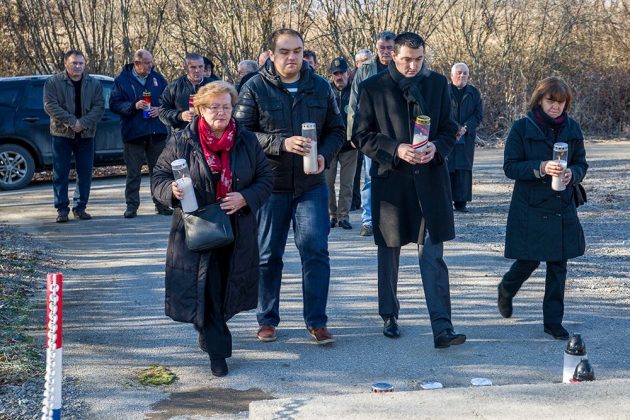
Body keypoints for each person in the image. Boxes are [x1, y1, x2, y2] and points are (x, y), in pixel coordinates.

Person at [151, 81, 273, 376]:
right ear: (200, 109)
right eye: (214, 107)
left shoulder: (245, 139)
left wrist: (245, 197)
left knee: (222, 288)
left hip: (235, 226)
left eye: (226, 107)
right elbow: (158, 178)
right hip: (196, 226)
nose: (221, 112)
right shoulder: (182, 140)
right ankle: (219, 353)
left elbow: (266, 179)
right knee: (207, 288)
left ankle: (207, 329)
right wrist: (172, 191)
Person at [353, 32, 466, 349]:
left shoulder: (438, 83)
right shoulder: (373, 87)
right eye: (406, 60)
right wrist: (396, 149)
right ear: (393, 56)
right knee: (389, 251)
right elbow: (360, 135)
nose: (413, 66)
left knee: (432, 254)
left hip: (430, 179)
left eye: (418, 59)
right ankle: (389, 315)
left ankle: (442, 326)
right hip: (392, 181)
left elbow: (449, 128)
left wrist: (437, 147)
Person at [235, 28, 345, 345]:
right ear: (272, 54)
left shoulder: (320, 86)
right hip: (270, 186)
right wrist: (281, 144)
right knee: (268, 255)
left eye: (297, 51)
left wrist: (324, 154)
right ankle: (267, 319)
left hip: (311, 185)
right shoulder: (255, 87)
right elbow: (240, 133)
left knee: (315, 252)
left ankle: (317, 322)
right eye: (284, 51)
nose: (292, 57)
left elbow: (337, 130)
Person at [498, 76, 588, 340]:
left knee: (558, 264)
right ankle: (506, 288)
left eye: (561, 102)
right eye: (551, 101)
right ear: (539, 100)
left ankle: (553, 322)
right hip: (531, 205)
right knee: (529, 259)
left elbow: (582, 163)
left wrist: (573, 173)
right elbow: (510, 167)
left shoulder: (572, 128)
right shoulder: (522, 127)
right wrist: (541, 167)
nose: (556, 106)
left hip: (562, 203)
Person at [109, 49, 172, 218]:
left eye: (151, 62)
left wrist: (160, 110)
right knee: (133, 173)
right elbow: (114, 104)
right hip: (134, 133)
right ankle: (132, 206)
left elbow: (169, 101)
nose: (151, 65)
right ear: (136, 63)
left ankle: (161, 204)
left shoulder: (158, 78)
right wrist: (133, 106)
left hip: (156, 132)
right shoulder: (122, 80)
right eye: (147, 63)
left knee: (159, 171)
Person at [43, 49, 104, 223]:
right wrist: (72, 122)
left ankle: (80, 207)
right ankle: (62, 209)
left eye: (81, 63)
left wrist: (82, 123)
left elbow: (99, 107)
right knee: (60, 173)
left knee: (85, 174)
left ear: (85, 65)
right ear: (65, 64)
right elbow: (50, 105)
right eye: (74, 63)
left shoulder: (94, 83)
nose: (78, 66)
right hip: (62, 134)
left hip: (86, 135)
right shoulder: (53, 82)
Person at [348, 30, 396, 237]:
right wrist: (353, 133)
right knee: (369, 177)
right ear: (376, 48)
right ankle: (368, 220)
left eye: (389, 48)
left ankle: (392, 218)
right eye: (381, 48)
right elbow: (353, 102)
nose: (385, 52)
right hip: (371, 132)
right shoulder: (366, 68)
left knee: (395, 176)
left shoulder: (402, 66)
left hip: (395, 131)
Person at [325, 57, 357, 230]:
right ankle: (332, 214)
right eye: (335, 73)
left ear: (348, 73)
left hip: (349, 146)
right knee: (327, 182)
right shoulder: (325, 91)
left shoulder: (355, 91)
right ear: (331, 75)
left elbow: (362, 116)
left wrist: (357, 138)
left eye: (342, 73)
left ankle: (344, 216)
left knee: (347, 183)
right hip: (330, 145)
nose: (339, 77)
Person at [447, 63, 483, 213]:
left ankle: (461, 202)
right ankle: (446, 201)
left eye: (465, 73)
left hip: (467, 136)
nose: (462, 76)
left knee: (464, 167)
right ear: (452, 75)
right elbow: (441, 112)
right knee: (447, 167)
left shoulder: (474, 93)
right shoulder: (444, 91)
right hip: (447, 134)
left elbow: (478, 115)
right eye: (459, 73)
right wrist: (456, 127)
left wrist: (465, 128)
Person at [159, 53, 215, 131]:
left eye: (200, 66)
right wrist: (180, 116)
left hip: (210, 133)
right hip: (183, 134)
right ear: (185, 68)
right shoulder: (174, 86)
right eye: (193, 67)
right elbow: (162, 111)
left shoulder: (214, 86)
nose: (197, 70)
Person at [349, 48, 374, 210]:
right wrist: (352, 133)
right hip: (361, 131)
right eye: (362, 61)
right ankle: (366, 214)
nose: (366, 63)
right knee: (362, 174)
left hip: (375, 132)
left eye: (368, 59)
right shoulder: (353, 78)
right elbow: (352, 106)